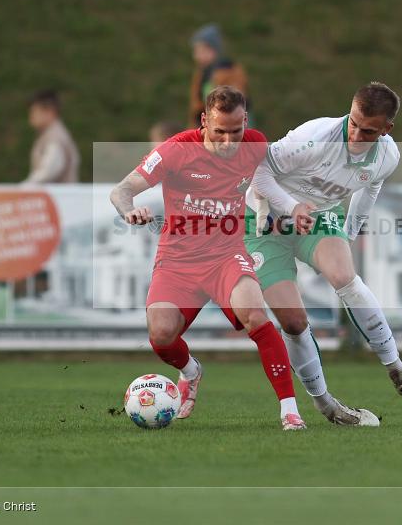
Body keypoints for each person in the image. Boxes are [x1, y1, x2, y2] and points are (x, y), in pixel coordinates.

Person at [109, 86, 306, 430]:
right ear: (204, 121)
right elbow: (121, 190)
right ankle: (191, 371)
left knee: (256, 316)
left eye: (236, 131)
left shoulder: (256, 144)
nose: (229, 142)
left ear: (246, 121)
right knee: (161, 335)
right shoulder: (175, 150)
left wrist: (279, 211)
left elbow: (282, 173)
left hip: (226, 257)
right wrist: (129, 211)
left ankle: (290, 410)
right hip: (177, 262)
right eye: (219, 132)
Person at [244, 82, 402, 427]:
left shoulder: (387, 156)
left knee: (344, 278)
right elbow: (259, 171)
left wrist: (348, 233)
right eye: (353, 123)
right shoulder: (315, 136)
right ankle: (329, 408)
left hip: (317, 217)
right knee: (293, 321)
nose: (356, 135)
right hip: (263, 220)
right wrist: (290, 207)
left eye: (367, 131)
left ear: (386, 130)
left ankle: (398, 370)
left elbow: (370, 187)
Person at [188, 24, 249, 127]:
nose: (196, 56)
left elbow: (235, 102)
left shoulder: (228, 70)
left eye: (201, 51)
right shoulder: (202, 73)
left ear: (213, 50)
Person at [23, 90, 81, 184]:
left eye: (34, 111)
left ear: (50, 112)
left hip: (59, 197)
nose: (31, 116)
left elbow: (48, 171)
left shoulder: (56, 137)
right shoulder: (50, 135)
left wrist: (23, 189)